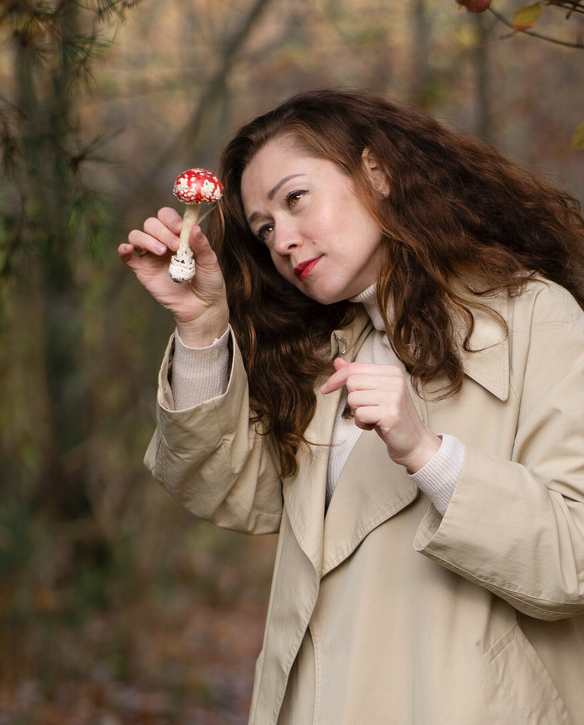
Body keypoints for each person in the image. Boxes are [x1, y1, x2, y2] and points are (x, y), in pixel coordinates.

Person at [118, 89, 584, 725]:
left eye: (295, 199)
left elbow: (573, 561)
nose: (282, 239)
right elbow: (227, 491)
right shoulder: (322, 354)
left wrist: (429, 455)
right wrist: (202, 327)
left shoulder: (537, 318)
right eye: (264, 228)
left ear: (378, 173)